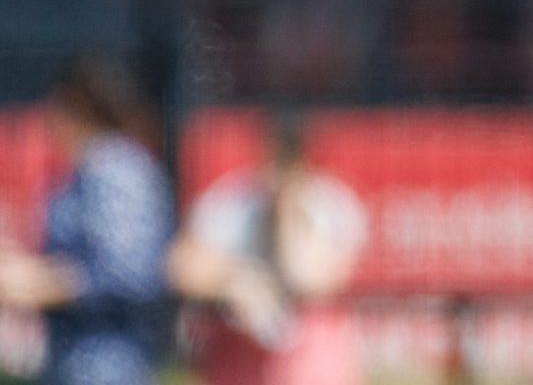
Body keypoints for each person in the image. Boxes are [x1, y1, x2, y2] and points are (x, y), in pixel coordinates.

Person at [0, 56, 174, 385]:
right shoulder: (85, 170)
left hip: (109, 362)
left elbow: (130, 273)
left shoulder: (114, 168)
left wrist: (41, 283)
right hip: (73, 360)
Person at [168, 110, 368, 385]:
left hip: (311, 361)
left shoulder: (331, 204)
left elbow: (320, 279)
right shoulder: (231, 200)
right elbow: (182, 268)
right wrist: (234, 283)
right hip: (239, 358)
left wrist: (289, 221)